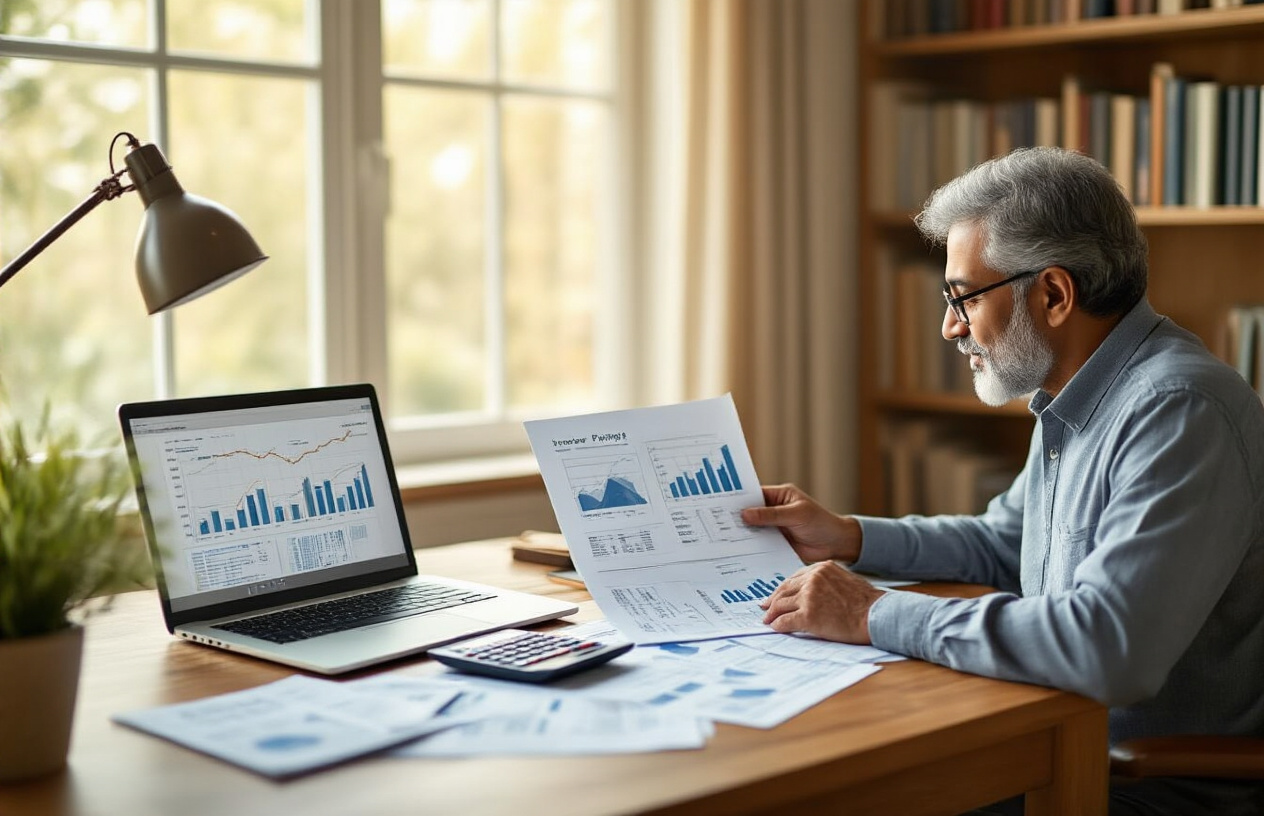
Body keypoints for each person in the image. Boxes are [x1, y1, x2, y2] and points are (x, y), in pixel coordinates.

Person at [741, 147, 1264, 816]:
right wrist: (845, 536)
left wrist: (871, 613)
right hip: (1051, 743)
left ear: (1052, 294)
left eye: (963, 297)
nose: (950, 326)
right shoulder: (1076, 391)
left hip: (1143, 789)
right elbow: (1004, 543)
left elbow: (1108, 648)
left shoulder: (1179, 409)